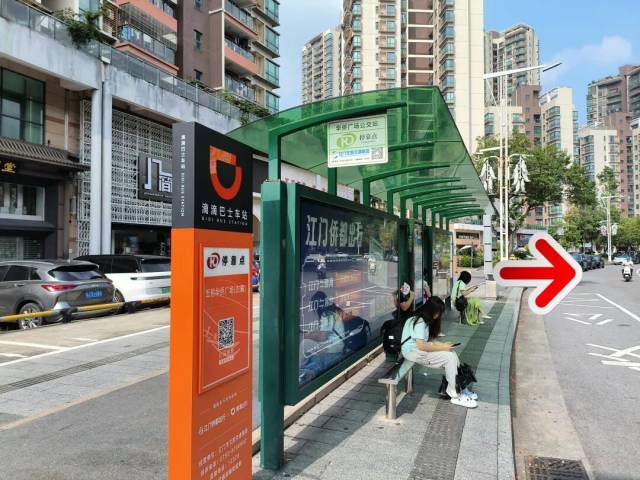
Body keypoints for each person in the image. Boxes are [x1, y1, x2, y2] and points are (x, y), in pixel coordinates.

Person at [400, 297, 477, 408]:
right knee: (449, 358)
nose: (439, 315)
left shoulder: (423, 320)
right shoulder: (419, 322)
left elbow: (428, 341)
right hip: (412, 352)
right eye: (438, 312)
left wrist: (444, 345)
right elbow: (422, 345)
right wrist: (443, 348)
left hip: (417, 350)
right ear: (432, 310)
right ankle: (454, 394)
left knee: (452, 353)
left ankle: (460, 387)